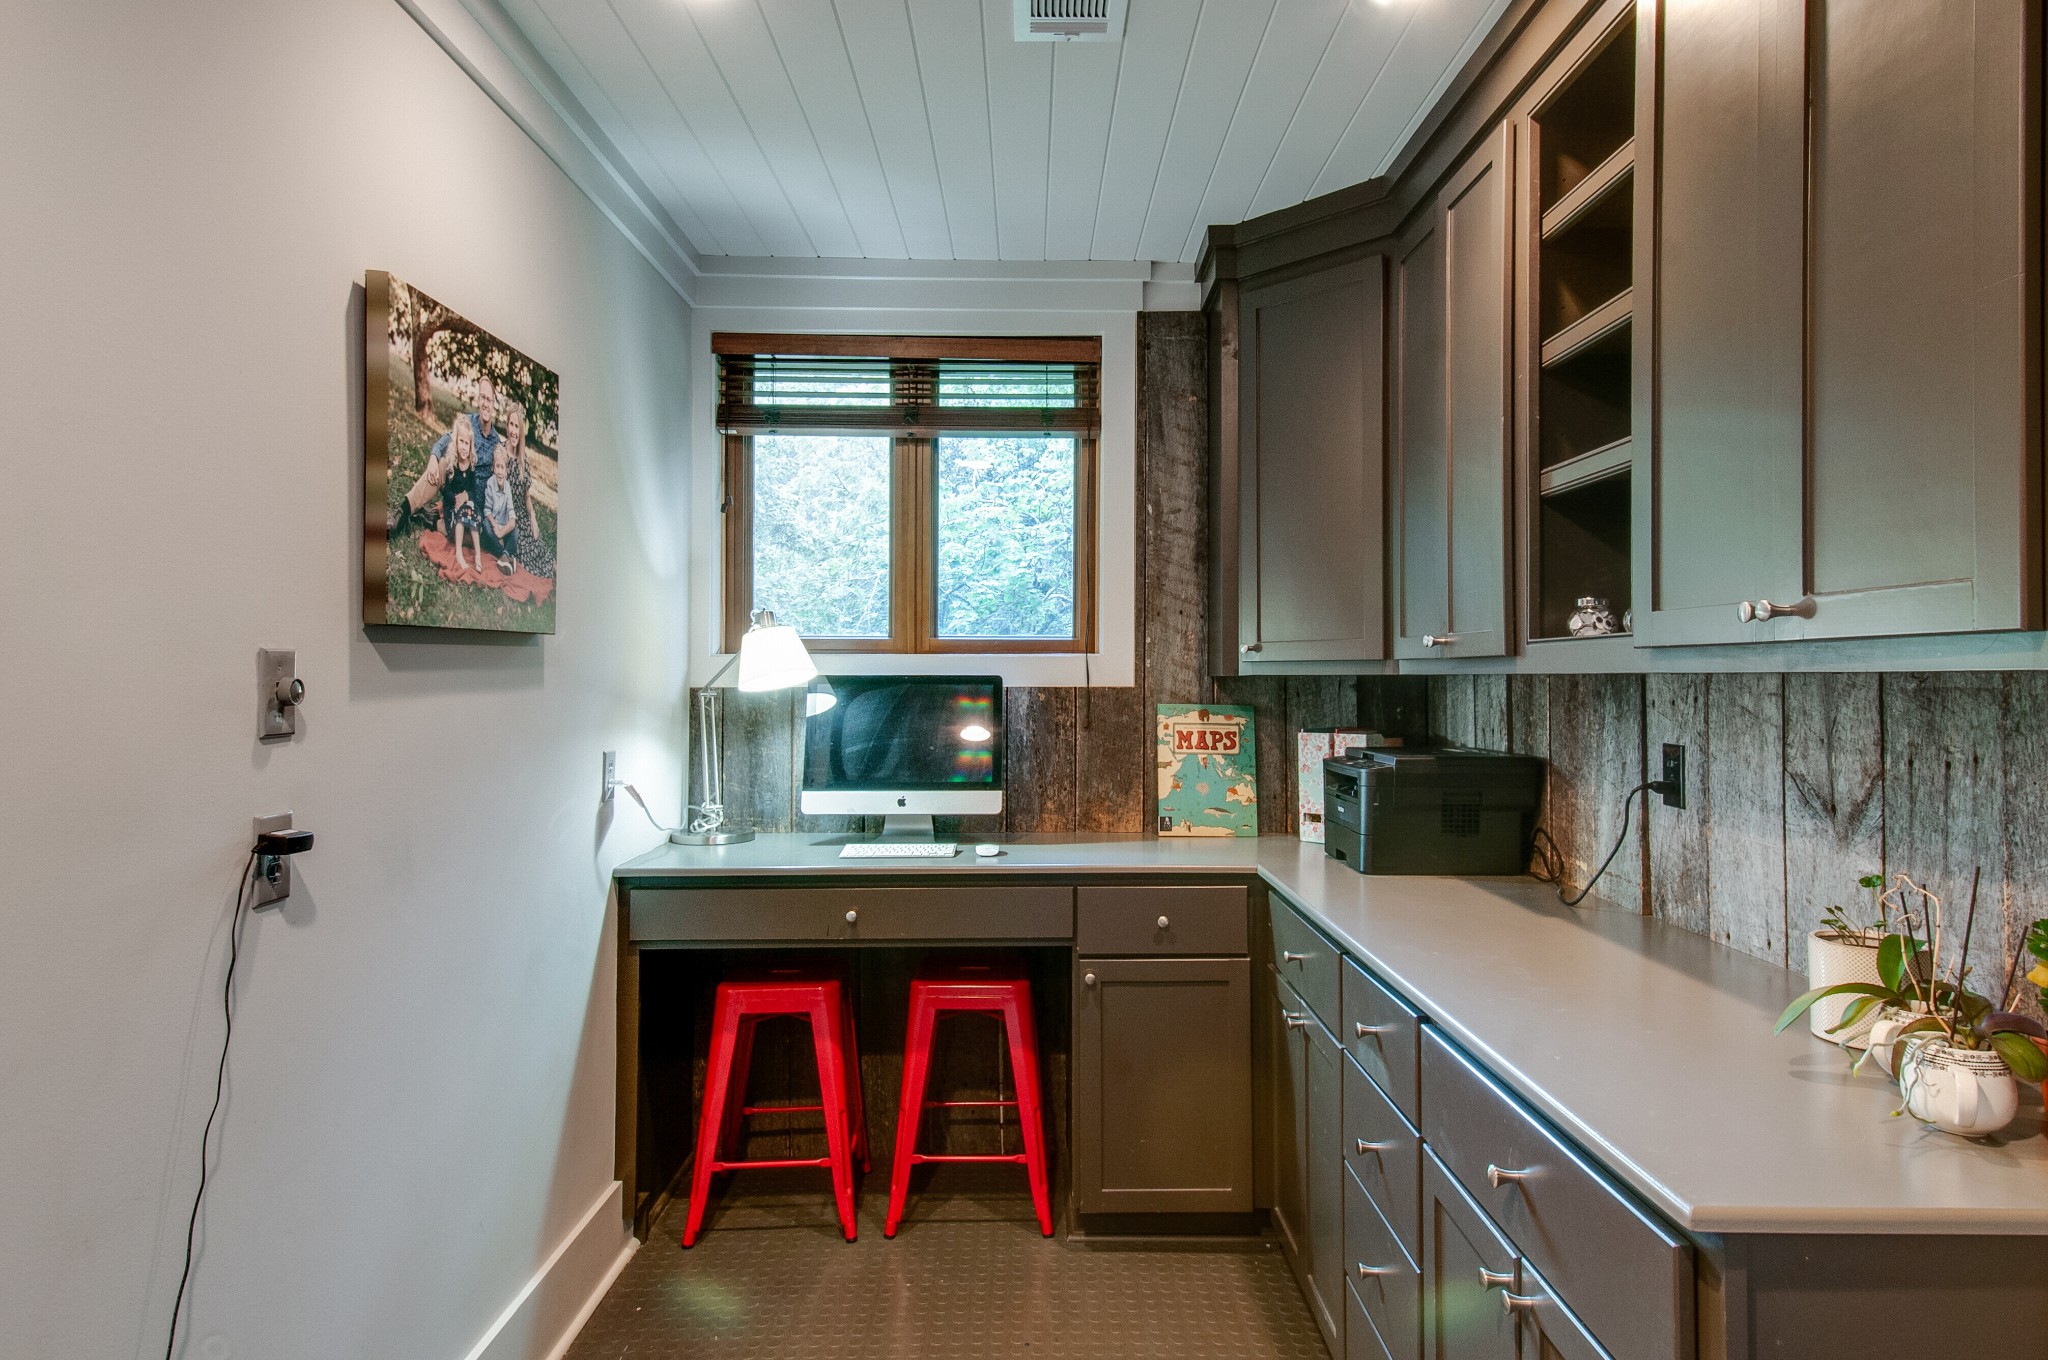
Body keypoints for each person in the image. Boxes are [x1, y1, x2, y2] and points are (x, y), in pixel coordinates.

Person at [391, 375, 503, 534]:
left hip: (474, 499)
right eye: (482, 398)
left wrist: (470, 497)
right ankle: (401, 515)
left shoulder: (496, 442)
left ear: (494, 404)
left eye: (489, 399)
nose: (485, 403)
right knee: (442, 463)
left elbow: (494, 483)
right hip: (455, 483)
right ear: (478, 400)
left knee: (471, 533)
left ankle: (431, 519)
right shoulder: (469, 422)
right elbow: (446, 439)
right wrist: (433, 458)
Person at [500, 403, 556, 579]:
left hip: (523, 516)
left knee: (538, 544)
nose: (514, 431)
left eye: (517, 426)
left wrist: (533, 517)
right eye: (511, 425)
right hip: (507, 517)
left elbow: (526, 497)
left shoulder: (523, 458)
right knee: (525, 549)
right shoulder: (500, 452)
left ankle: (558, 571)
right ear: (507, 425)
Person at [442, 417, 482, 572]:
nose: (464, 447)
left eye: (467, 443)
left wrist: (466, 497)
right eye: (461, 442)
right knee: (465, 510)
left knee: (470, 508)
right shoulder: (452, 464)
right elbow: (444, 490)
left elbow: (473, 491)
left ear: (471, 445)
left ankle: (478, 555)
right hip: (453, 511)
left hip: (467, 513)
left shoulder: (471, 466)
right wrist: (455, 499)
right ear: (456, 442)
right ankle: (459, 553)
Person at [480, 447, 518, 576]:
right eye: (498, 467)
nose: (500, 472)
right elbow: (487, 510)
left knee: (516, 531)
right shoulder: (490, 483)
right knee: (485, 525)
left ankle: (504, 556)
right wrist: (494, 524)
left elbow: (511, 511)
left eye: (503, 468)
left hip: (502, 528)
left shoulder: (507, 487)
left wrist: (503, 530)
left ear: (507, 471)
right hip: (493, 525)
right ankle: (506, 555)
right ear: (493, 468)